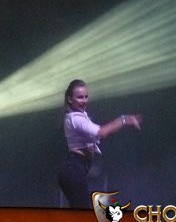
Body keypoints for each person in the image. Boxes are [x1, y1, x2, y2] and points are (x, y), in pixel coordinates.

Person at [57, 79, 142, 208]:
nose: (84, 100)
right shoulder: (76, 118)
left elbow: (98, 135)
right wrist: (124, 120)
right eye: (80, 97)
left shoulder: (79, 117)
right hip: (74, 168)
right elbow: (101, 132)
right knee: (82, 214)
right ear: (69, 99)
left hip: (76, 167)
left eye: (86, 97)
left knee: (81, 212)